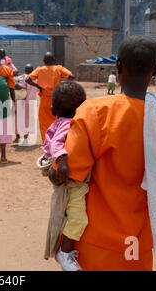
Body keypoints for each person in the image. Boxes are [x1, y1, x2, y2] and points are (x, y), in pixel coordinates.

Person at [61, 36, 156, 271]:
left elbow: (71, 171)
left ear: (117, 66)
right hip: (139, 243)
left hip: (96, 241)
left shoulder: (95, 111)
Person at [42, 81, 88, 271]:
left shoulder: (60, 121)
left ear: (53, 109)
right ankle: (65, 252)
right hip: (71, 182)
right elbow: (56, 145)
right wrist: (61, 161)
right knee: (78, 219)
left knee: (68, 216)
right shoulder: (69, 124)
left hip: (68, 179)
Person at [26, 52, 75, 143]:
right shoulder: (59, 68)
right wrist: (63, 86)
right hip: (57, 100)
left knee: (44, 123)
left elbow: (27, 79)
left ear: (44, 61)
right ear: (54, 60)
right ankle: (58, 142)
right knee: (59, 121)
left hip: (44, 100)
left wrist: (38, 87)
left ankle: (47, 144)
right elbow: (72, 76)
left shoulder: (40, 69)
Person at [13, 64, 38, 146]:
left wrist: (11, 84)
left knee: (18, 119)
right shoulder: (35, 79)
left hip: (21, 101)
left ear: (25, 70)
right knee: (27, 120)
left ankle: (17, 137)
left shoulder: (24, 77)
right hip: (31, 102)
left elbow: (19, 87)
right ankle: (26, 138)